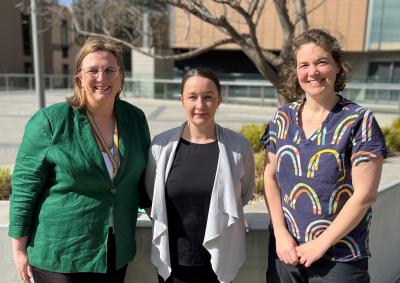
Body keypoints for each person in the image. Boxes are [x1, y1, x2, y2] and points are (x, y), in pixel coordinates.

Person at [9, 36, 150, 283]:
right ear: (79, 77)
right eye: (92, 70)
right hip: (61, 254)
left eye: (109, 70)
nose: (101, 78)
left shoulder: (135, 119)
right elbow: (24, 189)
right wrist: (19, 249)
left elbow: (143, 181)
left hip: (115, 252)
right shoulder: (51, 121)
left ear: (120, 77)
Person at [261, 29, 387, 282]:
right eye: (304, 65)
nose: (313, 72)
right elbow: (270, 177)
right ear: (296, 72)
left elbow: (365, 195)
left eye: (322, 62)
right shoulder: (281, 117)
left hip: (340, 256)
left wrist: (321, 243)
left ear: (338, 67)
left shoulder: (359, 120)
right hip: (287, 252)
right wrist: (281, 234)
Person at [145, 67, 255, 283]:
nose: (200, 105)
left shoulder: (238, 146)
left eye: (208, 97)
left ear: (219, 100)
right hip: (173, 262)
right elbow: (152, 197)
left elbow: (245, 193)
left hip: (219, 261)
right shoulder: (161, 145)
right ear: (182, 100)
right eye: (192, 97)